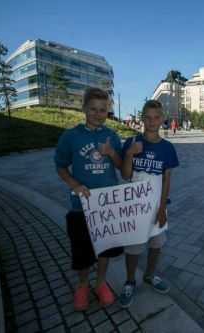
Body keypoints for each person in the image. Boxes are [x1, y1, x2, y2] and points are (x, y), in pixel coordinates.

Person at [54, 88, 124, 311]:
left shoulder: (112, 136)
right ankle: (83, 285)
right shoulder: (71, 136)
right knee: (82, 251)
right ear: (84, 108)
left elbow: (122, 168)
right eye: (93, 109)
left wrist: (111, 153)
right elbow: (61, 166)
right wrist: (74, 184)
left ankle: (100, 283)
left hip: (108, 206)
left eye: (102, 110)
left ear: (108, 111)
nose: (97, 113)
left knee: (105, 249)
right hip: (81, 207)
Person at [119, 100, 179, 307]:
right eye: (148, 117)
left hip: (156, 208)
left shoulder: (168, 148)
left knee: (156, 244)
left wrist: (162, 208)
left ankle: (150, 275)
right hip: (135, 208)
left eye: (156, 117)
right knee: (133, 247)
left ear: (162, 119)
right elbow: (126, 176)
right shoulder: (131, 142)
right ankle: (129, 281)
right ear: (142, 118)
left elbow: (166, 180)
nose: (152, 121)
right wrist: (129, 154)